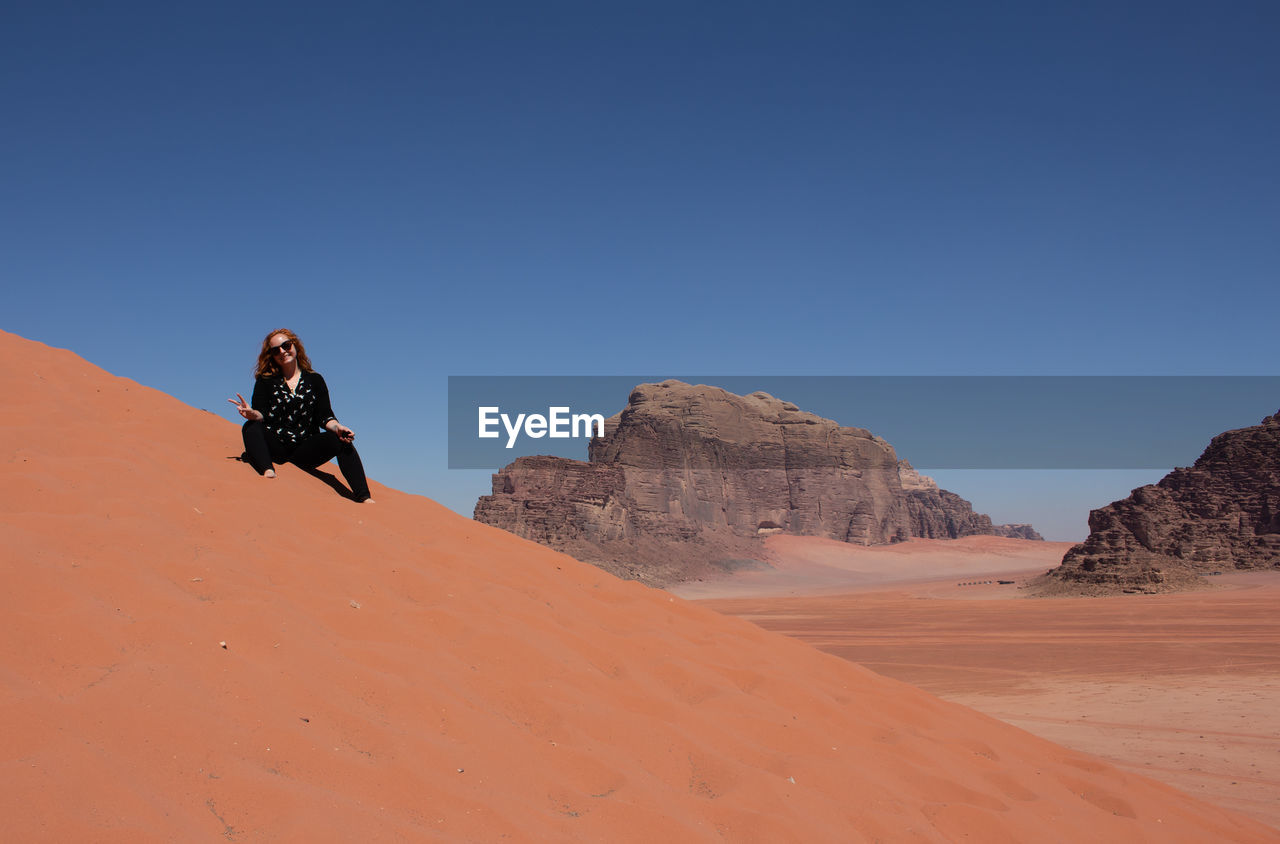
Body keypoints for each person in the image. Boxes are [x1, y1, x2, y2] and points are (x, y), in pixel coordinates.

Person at [228, 329, 373, 503]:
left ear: (295, 345)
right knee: (250, 427)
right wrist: (252, 414)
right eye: (276, 350)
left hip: (304, 451)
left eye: (286, 346)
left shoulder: (315, 380)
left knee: (341, 440)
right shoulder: (265, 381)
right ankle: (267, 470)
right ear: (272, 356)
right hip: (275, 448)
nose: (282, 351)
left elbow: (325, 416)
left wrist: (338, 427)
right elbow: (262, 413)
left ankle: (363, 496)